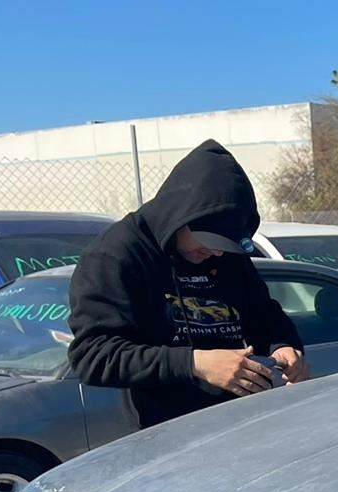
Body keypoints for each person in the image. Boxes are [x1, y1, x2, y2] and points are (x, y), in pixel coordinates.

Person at [68, 140, 309, 428]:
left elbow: (264, 315)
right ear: (181, 217)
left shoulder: (224, 255)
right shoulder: (117, 255)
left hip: (240, 422)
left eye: (225, 246)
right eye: (208, 242)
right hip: (167, 432)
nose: (216, 253)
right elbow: (92, 356)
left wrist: (282, 346)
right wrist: (194, 363)